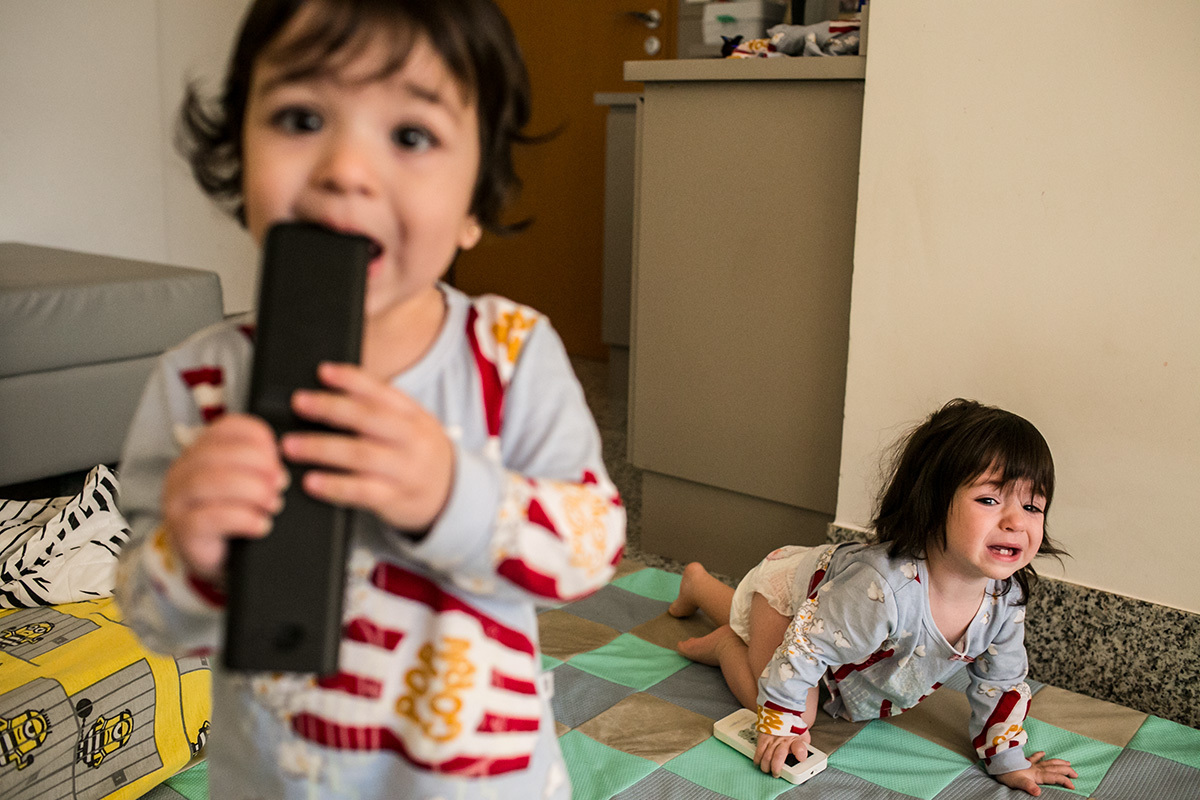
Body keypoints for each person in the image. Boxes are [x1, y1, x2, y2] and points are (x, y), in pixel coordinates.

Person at [114, 1, 625, 798]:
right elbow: (151, 617)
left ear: (474, 203)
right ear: (239, 153)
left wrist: (454, 493)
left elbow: (592, 547)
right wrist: (192, 552)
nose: (346, 170)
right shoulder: (200, 383)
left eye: (411, 135)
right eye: (301, 118)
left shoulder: (511, 355)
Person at [669, 399, 1078, 797]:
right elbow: (807, 646)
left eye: (1032, 505)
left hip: (830, 620)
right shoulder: (883, 588)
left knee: (769, 634)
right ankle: (726, 647)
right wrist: (781, 724)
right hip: (791, 601)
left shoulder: (1005, 599)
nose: (1016, 521)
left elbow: (1002, 684)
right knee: (797, 711)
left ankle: (697, 583)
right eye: (989, 500)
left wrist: (1009, 761)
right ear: (933, 504)